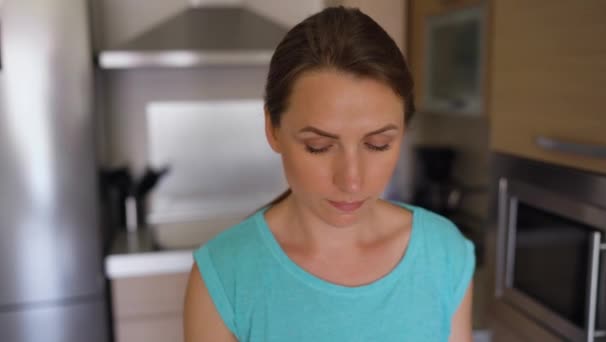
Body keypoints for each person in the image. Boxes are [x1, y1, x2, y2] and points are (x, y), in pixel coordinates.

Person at [184, 6, 474, 342]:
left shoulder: (444, 253)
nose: (352, 181)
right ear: (273, 129)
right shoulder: (224, 276)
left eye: (378, 144)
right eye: (319, 146)